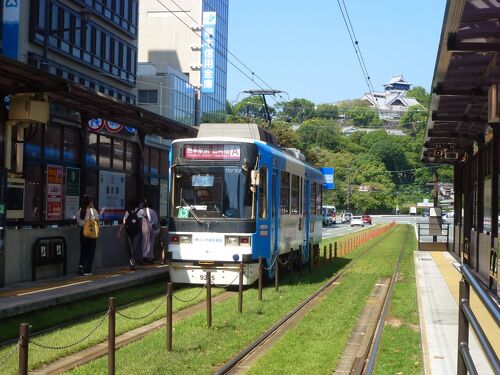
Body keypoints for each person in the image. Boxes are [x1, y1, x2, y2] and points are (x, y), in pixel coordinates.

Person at [77, 195, 99, 276]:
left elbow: (78, 222)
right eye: (91, 201)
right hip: (91, 232)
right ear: (89, 203)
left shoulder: (81, 210)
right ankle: (87, 270)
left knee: (84, 250)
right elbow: (96, 220)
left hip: (83, 232)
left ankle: (81, 266)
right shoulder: (93, 211)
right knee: (91, 251)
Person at [116, 201, 141, 270]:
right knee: (134, 249)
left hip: (129, 232)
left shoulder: (127, 212)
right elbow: (140, 223)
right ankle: (133, 263)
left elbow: (124, 222)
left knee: (130, 249)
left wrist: (119, 231)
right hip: (137, 233)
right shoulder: (140, 211)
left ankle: (131, 263)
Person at [137, 198, 160, 263]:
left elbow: (138, 219)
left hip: (143, 229)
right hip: (152, 229)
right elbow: (155, 221)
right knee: (151, 243)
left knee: (145, 242)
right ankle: (149, 257)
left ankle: (144, 256)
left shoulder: (141, 211)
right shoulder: (153, 211)